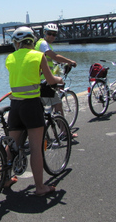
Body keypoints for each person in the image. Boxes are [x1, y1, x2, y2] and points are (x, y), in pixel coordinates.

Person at [5, 26, 64, 196]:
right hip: (31, 105)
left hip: (15, 106)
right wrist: (58, 79)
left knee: (11, 146)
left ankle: (6, 179)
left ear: (16, 43)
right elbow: (50, 79)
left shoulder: (9, 58)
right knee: (36, 148)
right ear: (32, 41)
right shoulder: (38, 56)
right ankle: (40, 187)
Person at [34, 23, 77, 116]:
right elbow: (54, 56)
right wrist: (70, 61)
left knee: (45, 106)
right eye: (49, 33)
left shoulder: (40, 43)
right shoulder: (44, 44)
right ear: (44, 33)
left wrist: (60, 63)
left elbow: (46, 59)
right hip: (45, 80)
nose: (52, 36)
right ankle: (64, 130)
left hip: (39, 79)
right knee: (57, 104)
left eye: (54, 34)